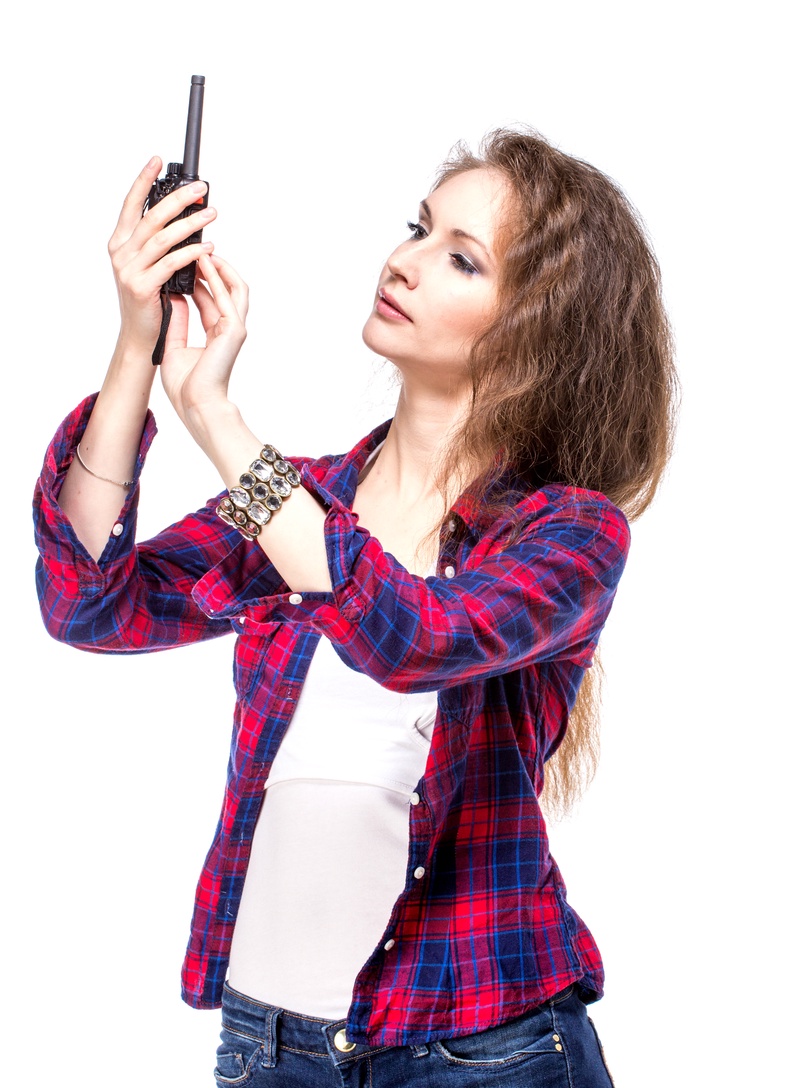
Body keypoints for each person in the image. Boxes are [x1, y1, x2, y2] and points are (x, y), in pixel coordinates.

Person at [34, 127, 677, 1086]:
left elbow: (413, 635)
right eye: (417, 229)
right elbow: (92, 603)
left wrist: (216, 417)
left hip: (478, 1050)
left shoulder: (568, 535)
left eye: (459, 257)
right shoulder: (300, 501)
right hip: (268, 1047)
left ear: (538, 331)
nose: (404, 262)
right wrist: (139, 345)